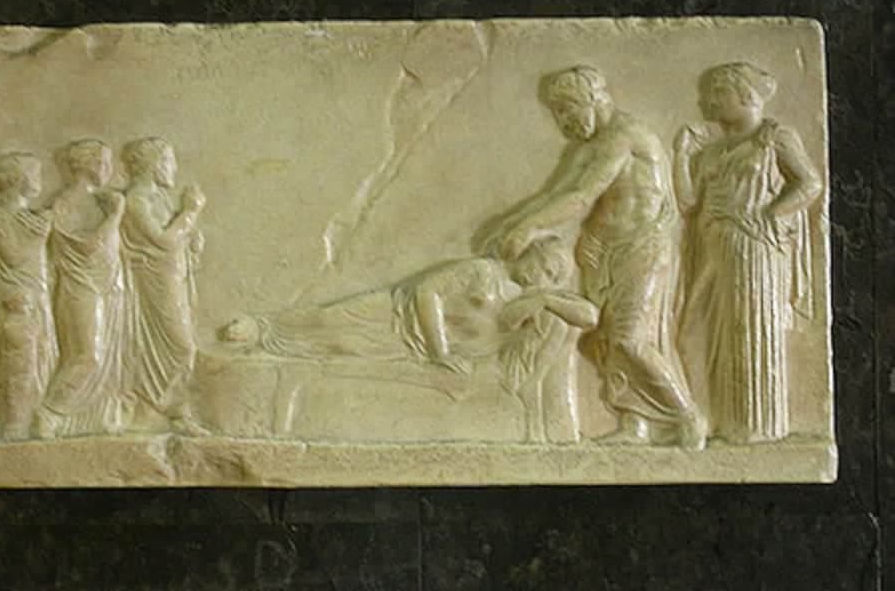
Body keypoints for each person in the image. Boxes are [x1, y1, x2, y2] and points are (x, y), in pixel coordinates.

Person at [496, 65, 706, 449]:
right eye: (557, 114)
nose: (563, 122)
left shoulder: (624, 137)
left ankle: (687, 416)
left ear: (591, 99)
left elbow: (582, 197)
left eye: (567, 109)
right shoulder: (587, 148)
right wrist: (513, 225)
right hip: (600, 249)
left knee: (629, 339)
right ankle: (635, 424)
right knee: (603, 342)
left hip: (640, 246)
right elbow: (555, 194)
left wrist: (528, 229)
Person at [217, 239, 599, 405]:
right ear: (529, 252)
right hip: (395, 312)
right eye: (542, 264)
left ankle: (267, 346)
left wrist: (548, 298)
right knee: (325, 319)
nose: (542, 275)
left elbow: (590, 315)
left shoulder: (526, 307)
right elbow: (426, 292)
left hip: (403, 345)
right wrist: (440, 351)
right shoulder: (482, 271)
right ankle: (260, 326)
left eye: (552, 275)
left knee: (334, 345)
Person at [674, 62, 822, 444]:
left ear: (746, 95)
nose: (708, 102)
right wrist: (680, 154)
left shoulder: (774, 138)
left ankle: (753, 428)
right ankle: (706, 417)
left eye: (718, 93)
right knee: (693, 329)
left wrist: (771, 213)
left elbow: (810, 183)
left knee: (749, 329)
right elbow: (688, 203)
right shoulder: (711, 152)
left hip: (752, 247)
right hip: (713, 245)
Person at [36, 139, 127, 438]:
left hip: (105, 286)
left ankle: (95, 419)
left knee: (107, 356)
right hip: (80, 287)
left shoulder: (98, 202)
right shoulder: (66, 202)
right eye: (104, 162)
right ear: (88, 165)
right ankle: (50, 412)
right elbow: (88, 246)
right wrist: (115, 216)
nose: (109, 169)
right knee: (87, 356)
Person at [120, 137, 209, 435]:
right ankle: (154, 410)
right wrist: (190, 212)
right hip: (152, 282)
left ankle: (175, 412)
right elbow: (163, 242)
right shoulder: (137, 200)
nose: (174, 168)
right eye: (169, 161)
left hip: (172, 278)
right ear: (154, 165)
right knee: (180, 346)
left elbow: (174, 242)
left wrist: (191, 244)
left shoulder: (159, 198)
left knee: (179, 346)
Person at [0, 152, 57, 440]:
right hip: (15, 295)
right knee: (18, 361)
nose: (39, 180)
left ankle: (31, 418)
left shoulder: (28, 217)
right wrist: (40, 236)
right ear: (17, 179)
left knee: (39, 356)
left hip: (35, 292)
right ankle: (14, 425)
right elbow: (12, 257)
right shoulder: (0, 215)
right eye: (35, 174)